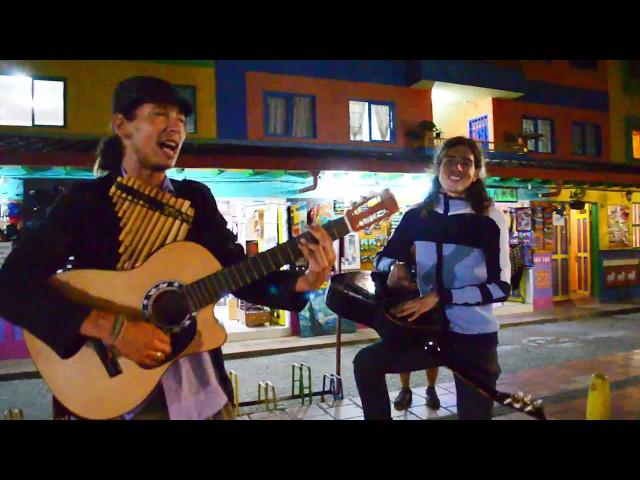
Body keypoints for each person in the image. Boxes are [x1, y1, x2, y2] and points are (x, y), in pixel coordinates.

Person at [0, 76, 336, 420]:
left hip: (204, 394)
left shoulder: (196, 200)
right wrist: (114, 329)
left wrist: (303, 284)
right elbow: (11, 286)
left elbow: (235, 274)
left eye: (181, 120)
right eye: (160, 114)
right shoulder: (87, 203)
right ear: (121, 125)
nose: (175, 127)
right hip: (121, 394)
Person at [353, 136, 511, 420]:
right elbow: (382, 258)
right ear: (438, 167)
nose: (458, 168)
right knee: (366, 362)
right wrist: (393, 268)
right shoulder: (417, 215)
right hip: (426, 331)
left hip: (473, 337)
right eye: (450, 160)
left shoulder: (489, 218)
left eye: (467, 162)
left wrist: (440, 296)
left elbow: (500, 288)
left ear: (476, 173)